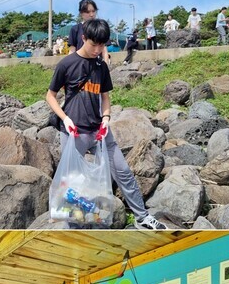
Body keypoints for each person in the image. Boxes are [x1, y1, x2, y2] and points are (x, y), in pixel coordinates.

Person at [45, 18, 167, 230]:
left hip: (99, 132)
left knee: (123, 171)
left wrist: (106, 119)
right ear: (84, 38)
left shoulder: (101, 66)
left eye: (102, 45)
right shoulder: (67, 64)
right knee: (72, 182)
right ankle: (76, 227)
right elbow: (50, 96)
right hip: (74, 133)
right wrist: (65, 119)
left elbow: (105, 99)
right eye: (94, 44)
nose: (98, 49)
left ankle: (142, 217)